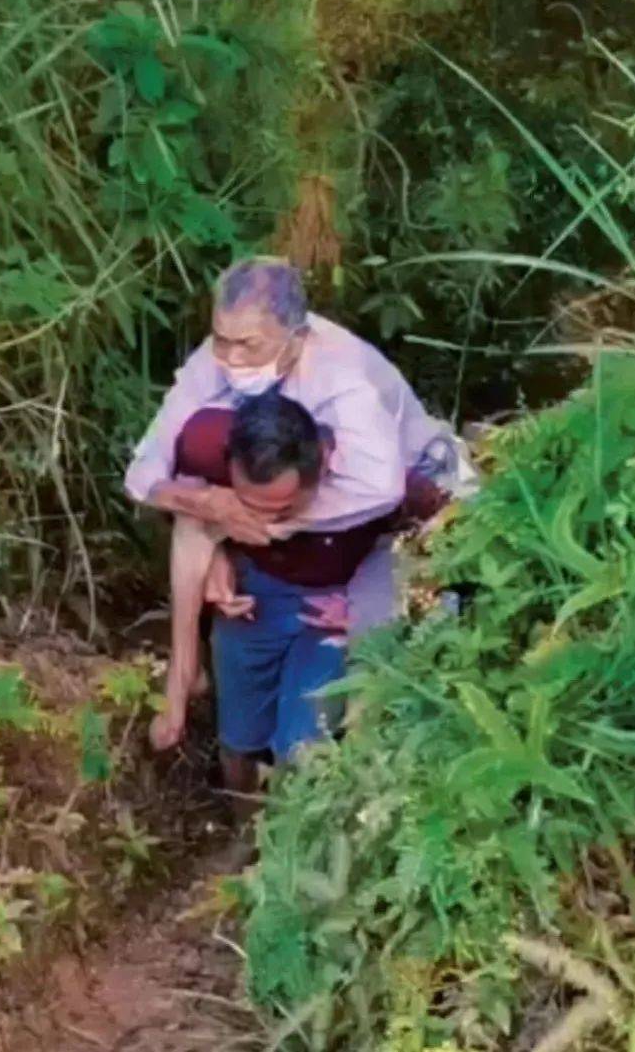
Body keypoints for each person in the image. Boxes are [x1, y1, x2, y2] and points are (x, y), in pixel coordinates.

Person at [124, 256, 472, 753]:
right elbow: (143, 472)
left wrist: (267, 522)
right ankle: (185, 670)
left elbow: (382, 490)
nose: (231, 358)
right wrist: (210, 504)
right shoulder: (216, 357)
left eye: (248, 345)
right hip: (287, 476)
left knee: (371, 655)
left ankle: (360, 766)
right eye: (221, 339)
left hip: (402, 506)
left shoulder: (344, 378)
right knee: (196, 466)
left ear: (296, 335)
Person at [170, 392, 387, 803]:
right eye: (248, 505)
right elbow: (181, 503)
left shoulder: (383, 473)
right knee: (237, 731)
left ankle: (282, 847)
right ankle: (241, 829)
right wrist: (220, 550)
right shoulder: (203, 441)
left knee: (302, 744)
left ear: (322, 465)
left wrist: (372, 608)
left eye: (280, 509)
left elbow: (445, 538)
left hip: (334, 605)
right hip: (254, 592)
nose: (262, 522)